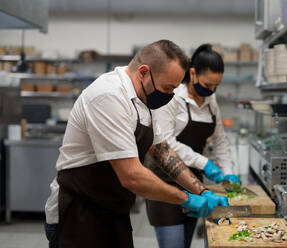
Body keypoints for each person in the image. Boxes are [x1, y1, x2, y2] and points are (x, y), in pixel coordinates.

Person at [44, 40, 228, 248]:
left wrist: (201, 191)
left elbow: (162, 151)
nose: (170, 96)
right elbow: (131, 176)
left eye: (174, 89)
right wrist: (186, 199)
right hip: (78, 214)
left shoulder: (145, 98)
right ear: (143, 72)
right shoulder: (109, 95)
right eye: (167, 88)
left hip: (113, 209)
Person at [145, 44, 240, 248]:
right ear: (193, 73)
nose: (211, 90)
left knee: (185, 243)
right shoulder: (172, 96)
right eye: (207, 85)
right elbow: (166, 144)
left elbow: (221, 140)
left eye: (216, 86)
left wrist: (229, 172)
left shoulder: (211, 100)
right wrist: (205, 163)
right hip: (165, 180)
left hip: (194, 183)